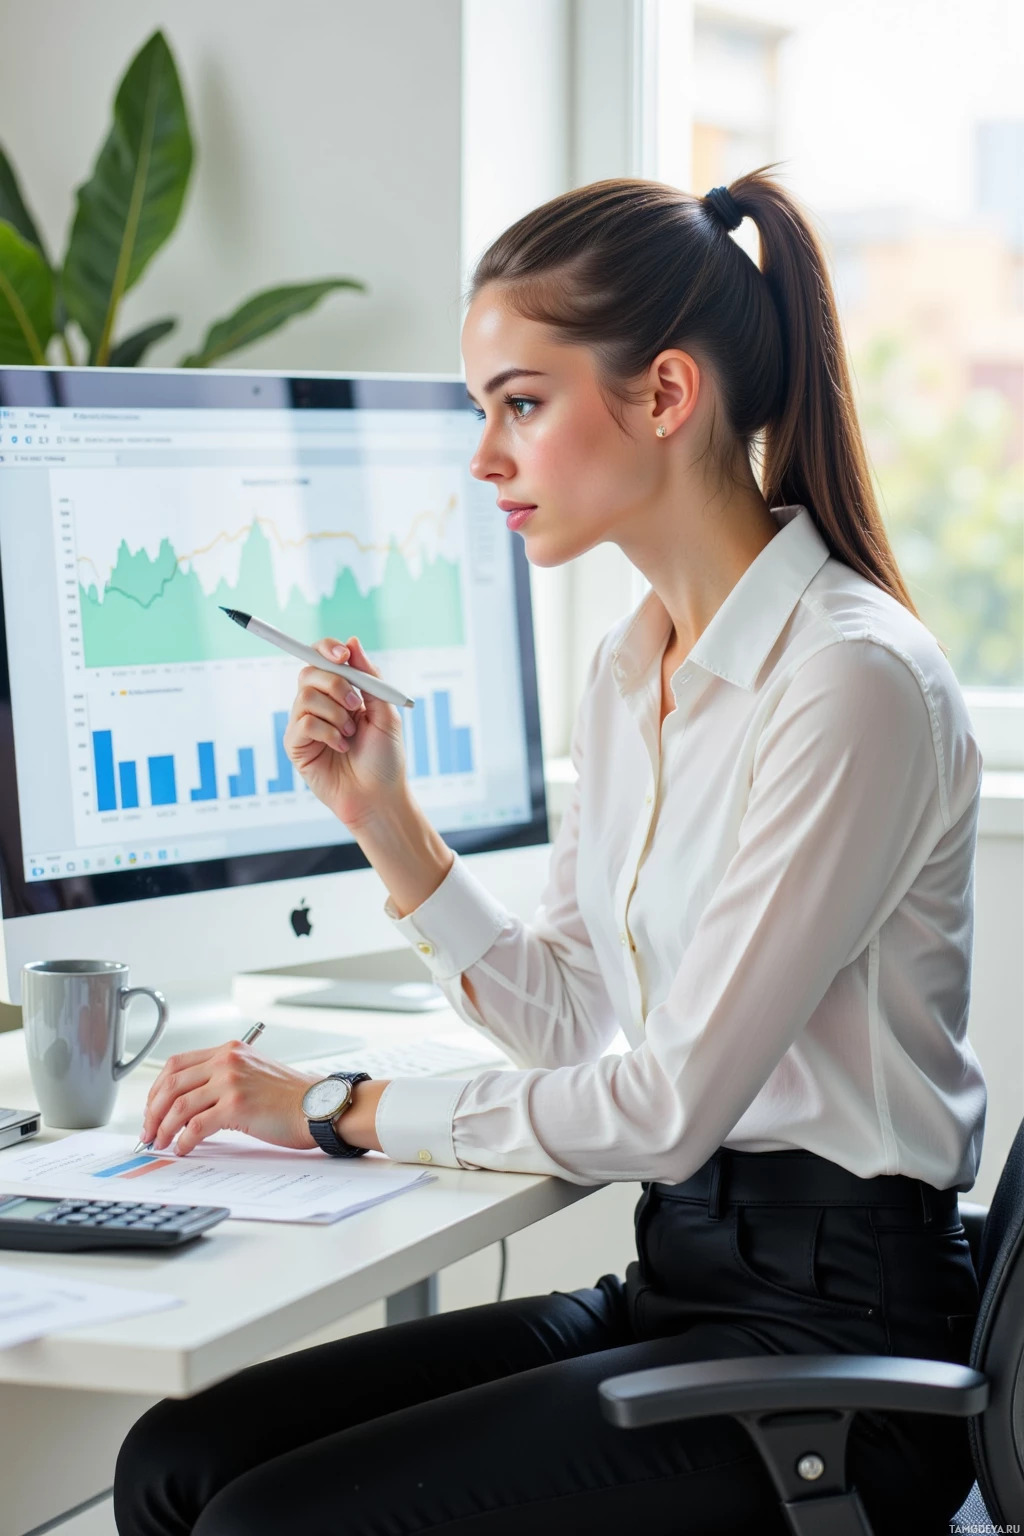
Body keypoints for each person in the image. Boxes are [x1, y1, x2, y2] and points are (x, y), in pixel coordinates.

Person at [113, 171, 986, 1536]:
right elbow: (580, 1020)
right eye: (483, 411)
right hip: (685, 1286)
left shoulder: (848, 682)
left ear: (663, 396)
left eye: (521, 403)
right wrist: (388, 826)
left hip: (837, 1355)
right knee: (179, 1462)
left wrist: (330, 1106)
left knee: (264, 1522)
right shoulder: (630, 664)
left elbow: (665, 1107)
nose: (484, 458)